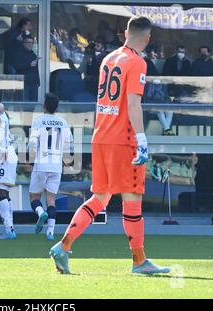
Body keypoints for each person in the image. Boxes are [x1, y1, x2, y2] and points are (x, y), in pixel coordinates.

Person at [49, 16, 171, 275]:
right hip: (122, 139)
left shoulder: (109, 58)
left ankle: (64, 245)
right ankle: (139, 261)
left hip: (101, 135)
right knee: (132, 198)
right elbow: (133, 104)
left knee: (101, 196)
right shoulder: (138, 62)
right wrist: (142, 140)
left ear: (125, 32)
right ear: (147, 39)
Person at [29, 93, 74, 241]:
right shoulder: (62, 122)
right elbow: (69, 143)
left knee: (34, 196)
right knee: (51, 199)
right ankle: (50, 232)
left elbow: (33, 143)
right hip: (56, 165)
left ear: (44, 105)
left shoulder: (39, 121)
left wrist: (33, 155)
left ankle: (41, 212)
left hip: (41, 163)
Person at [0, 93, 18, 240]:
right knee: (4, 193)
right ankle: (10, 228)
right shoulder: (1, 112)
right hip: (7, 154)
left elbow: (0, 137)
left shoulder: (0, 114)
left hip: (4, 154)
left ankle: (9, 229)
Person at [143, 45, 174, 136]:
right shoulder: (143, 62)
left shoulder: (149, 63)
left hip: (159, 98)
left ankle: (167, 129)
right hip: (148, 99)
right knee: (159, 110)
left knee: (170, 110)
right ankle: (167, 129)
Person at [12, 35, 40, 101]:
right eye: (28, 43)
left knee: (32, 106)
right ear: (24, 43)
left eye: (32, 43)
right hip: (24, 84)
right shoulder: (19, 54)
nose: (30, 45)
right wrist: (29, 65)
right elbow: (16, 66)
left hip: (34, 84)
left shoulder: (33, 55)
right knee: (23, 104)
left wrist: (38, 82)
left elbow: (36, 70)